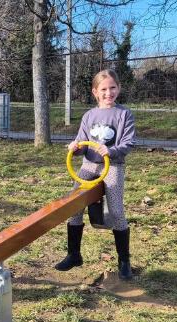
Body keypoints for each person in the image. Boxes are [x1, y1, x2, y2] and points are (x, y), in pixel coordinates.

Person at [56, 69, 136, 280]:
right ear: (95, 92)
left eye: (112, 88)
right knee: (74, 206)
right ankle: (74, 254)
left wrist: (111, 151)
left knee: (117, 212)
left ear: (118, 88)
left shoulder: (123, 114)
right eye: (103, 89)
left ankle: (124, 260)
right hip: (89, 165)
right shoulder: (89, 116)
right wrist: (75, 147)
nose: (108, 93)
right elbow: (82, 142)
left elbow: (128, 143)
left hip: (113, 166)